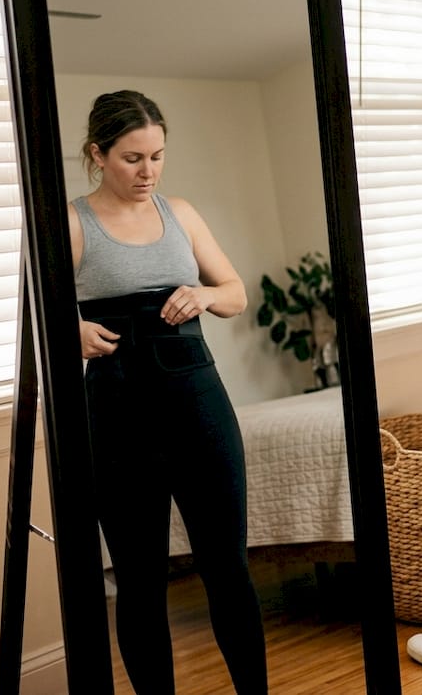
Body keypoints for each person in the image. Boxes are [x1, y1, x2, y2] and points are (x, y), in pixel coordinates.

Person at [69, 90, 267, 694]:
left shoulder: (180, 212)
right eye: (132, 158)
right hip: (119, 412)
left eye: (157, 156)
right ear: (97, 155)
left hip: (198, 405)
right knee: (139, 578)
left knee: (228, 568)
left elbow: (235, 291)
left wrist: (205, 295)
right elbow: (33, 314)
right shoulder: (72, 221)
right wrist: (68, 327)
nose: (148, 171)